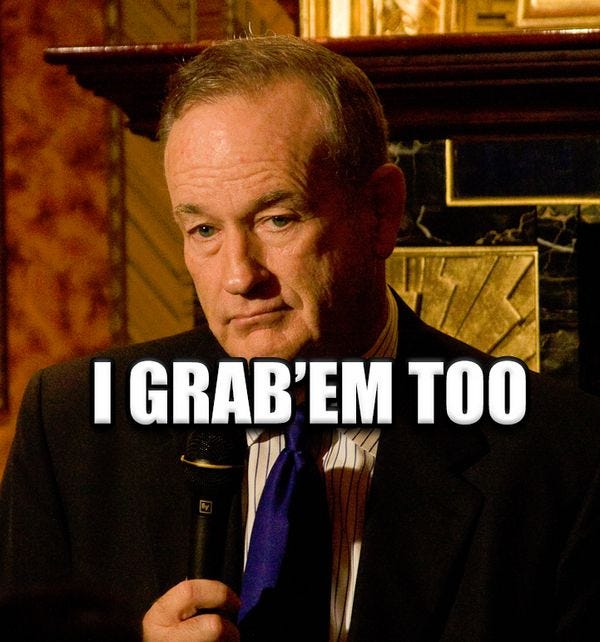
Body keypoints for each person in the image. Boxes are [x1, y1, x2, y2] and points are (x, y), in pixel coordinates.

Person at [2, 35, 600, 642]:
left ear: (381, 211)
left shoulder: (564, 458)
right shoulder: (74, 427)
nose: (239, 277)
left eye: (277, 219)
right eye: (204, 229)